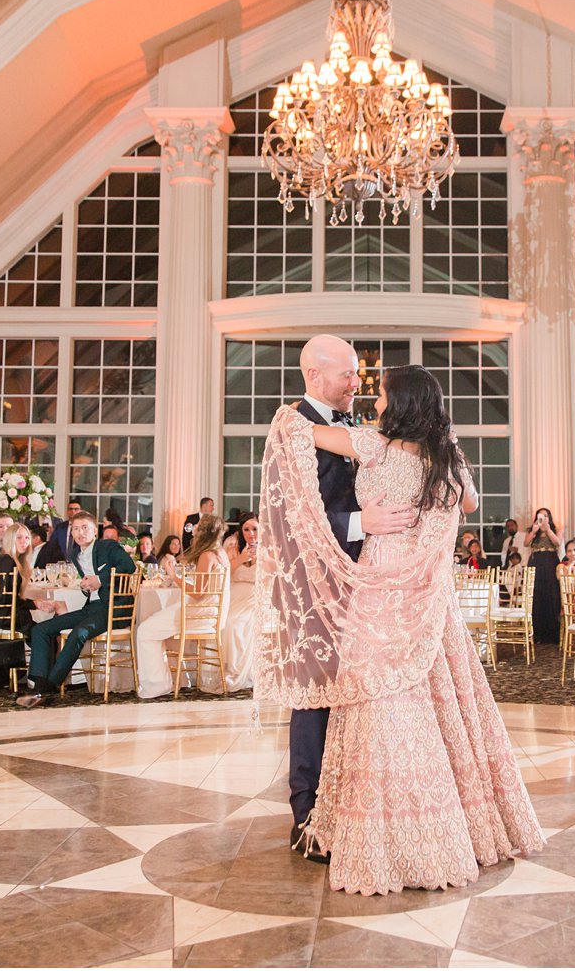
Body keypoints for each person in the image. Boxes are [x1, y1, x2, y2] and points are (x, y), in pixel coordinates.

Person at [255, 357, 543, 894]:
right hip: (428, 599)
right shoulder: (445, 459)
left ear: (402, 404)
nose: (372, 399)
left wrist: (289, 409)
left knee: (377, 709)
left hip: (379, 592)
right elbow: (472, 501)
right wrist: (445, 437)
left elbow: (299, 429)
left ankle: (380, 830)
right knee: (440, 707)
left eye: (382, 394)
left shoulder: (374, 446)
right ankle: (448, 822)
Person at [265, 335, 415, 861]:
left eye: (357, 374)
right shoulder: (291, 429)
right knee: (316, 697)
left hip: (364, 582)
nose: (358, 382)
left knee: (358, 695)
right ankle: (307, 817)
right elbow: (286, 518)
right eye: (348, 374)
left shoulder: (353, 429)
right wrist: (359, 522)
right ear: (314, 374)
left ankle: (350, 804)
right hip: (312, 588)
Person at [16, 514, 136, 706]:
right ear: (71, 532)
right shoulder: (74, 554)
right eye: (76, 528)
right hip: (92, 607)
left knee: (79, 633)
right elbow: (89, 582)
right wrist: (86, 585)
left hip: (114, 608)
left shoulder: (108, 546)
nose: (81, 532)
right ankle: (37, 683)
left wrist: (99, 579)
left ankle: (50, 685)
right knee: (40, 630)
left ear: (95, 530)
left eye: (85, 527)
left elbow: (128, 566)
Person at [135, 515, 232, 698]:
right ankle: (174, 680)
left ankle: (157, 685)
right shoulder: (220, 553)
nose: (194, 531)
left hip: (197, 615)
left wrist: (173, 576)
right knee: (155, 628)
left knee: (145, 630)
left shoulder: (207, 555)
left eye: (198, 528)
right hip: (210, 613)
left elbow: (197, 592)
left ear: (204, 532)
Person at [214, 512, 259, 692]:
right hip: (234, 593)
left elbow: (274, 573)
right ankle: (231, 670)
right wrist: (241, 558)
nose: (251, 533)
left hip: (255, 595)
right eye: (246, 529)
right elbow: (223, 572)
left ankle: (245, 672)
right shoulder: (233, 547)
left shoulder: (269, 547)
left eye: (255, 529)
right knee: (226, 622)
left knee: (237, 623)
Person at [0, 522, 38, 633]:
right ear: (10, 539)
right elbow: (6, 598)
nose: (24, 541)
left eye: (27, 537)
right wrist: (34, 604)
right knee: (45, 633)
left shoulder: (9, 560)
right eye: (19, 537)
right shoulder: (7, 561)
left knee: (45, 630)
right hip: (4, 619)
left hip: (5, 615)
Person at [523, 507, 563, 643]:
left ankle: (552, 633)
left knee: (551, 594)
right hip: (536, 561)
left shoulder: (555, 529)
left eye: (546, 516)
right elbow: (526, 543)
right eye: (541, 516)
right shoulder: (532, 530)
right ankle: (537, 633)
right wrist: (534, 531)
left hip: (550, 561)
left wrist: (548, 529)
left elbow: (558, 543)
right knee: (536, 595)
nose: (543, 518)